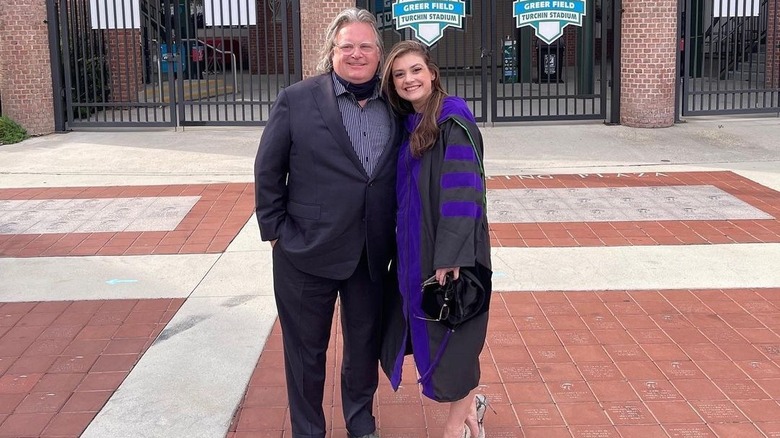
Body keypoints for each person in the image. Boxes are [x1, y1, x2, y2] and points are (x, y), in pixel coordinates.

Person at [253, 8, 401, 438]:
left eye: (366, 46)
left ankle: (361, 421)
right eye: (347, 46)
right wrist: (276, 233)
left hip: (371, 254)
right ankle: (308, 430)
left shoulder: (395, 103)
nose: (357, 54)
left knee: (364, 347)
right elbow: (268, 169)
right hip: (305, 250)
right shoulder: (297, 99)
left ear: (379, 53)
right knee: (305, 352)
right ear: (332, 51)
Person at [379, 40, 492, 438]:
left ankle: (453, 428)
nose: (408, 79)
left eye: (415, 70)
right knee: (438, 328)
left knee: (456, 336)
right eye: (399, 74)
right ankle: (471, 409)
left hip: (451, 250)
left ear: (432, 73)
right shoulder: (408, 122)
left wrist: (451, 255)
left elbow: (464, 193)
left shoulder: (452, 119)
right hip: (417, 246)